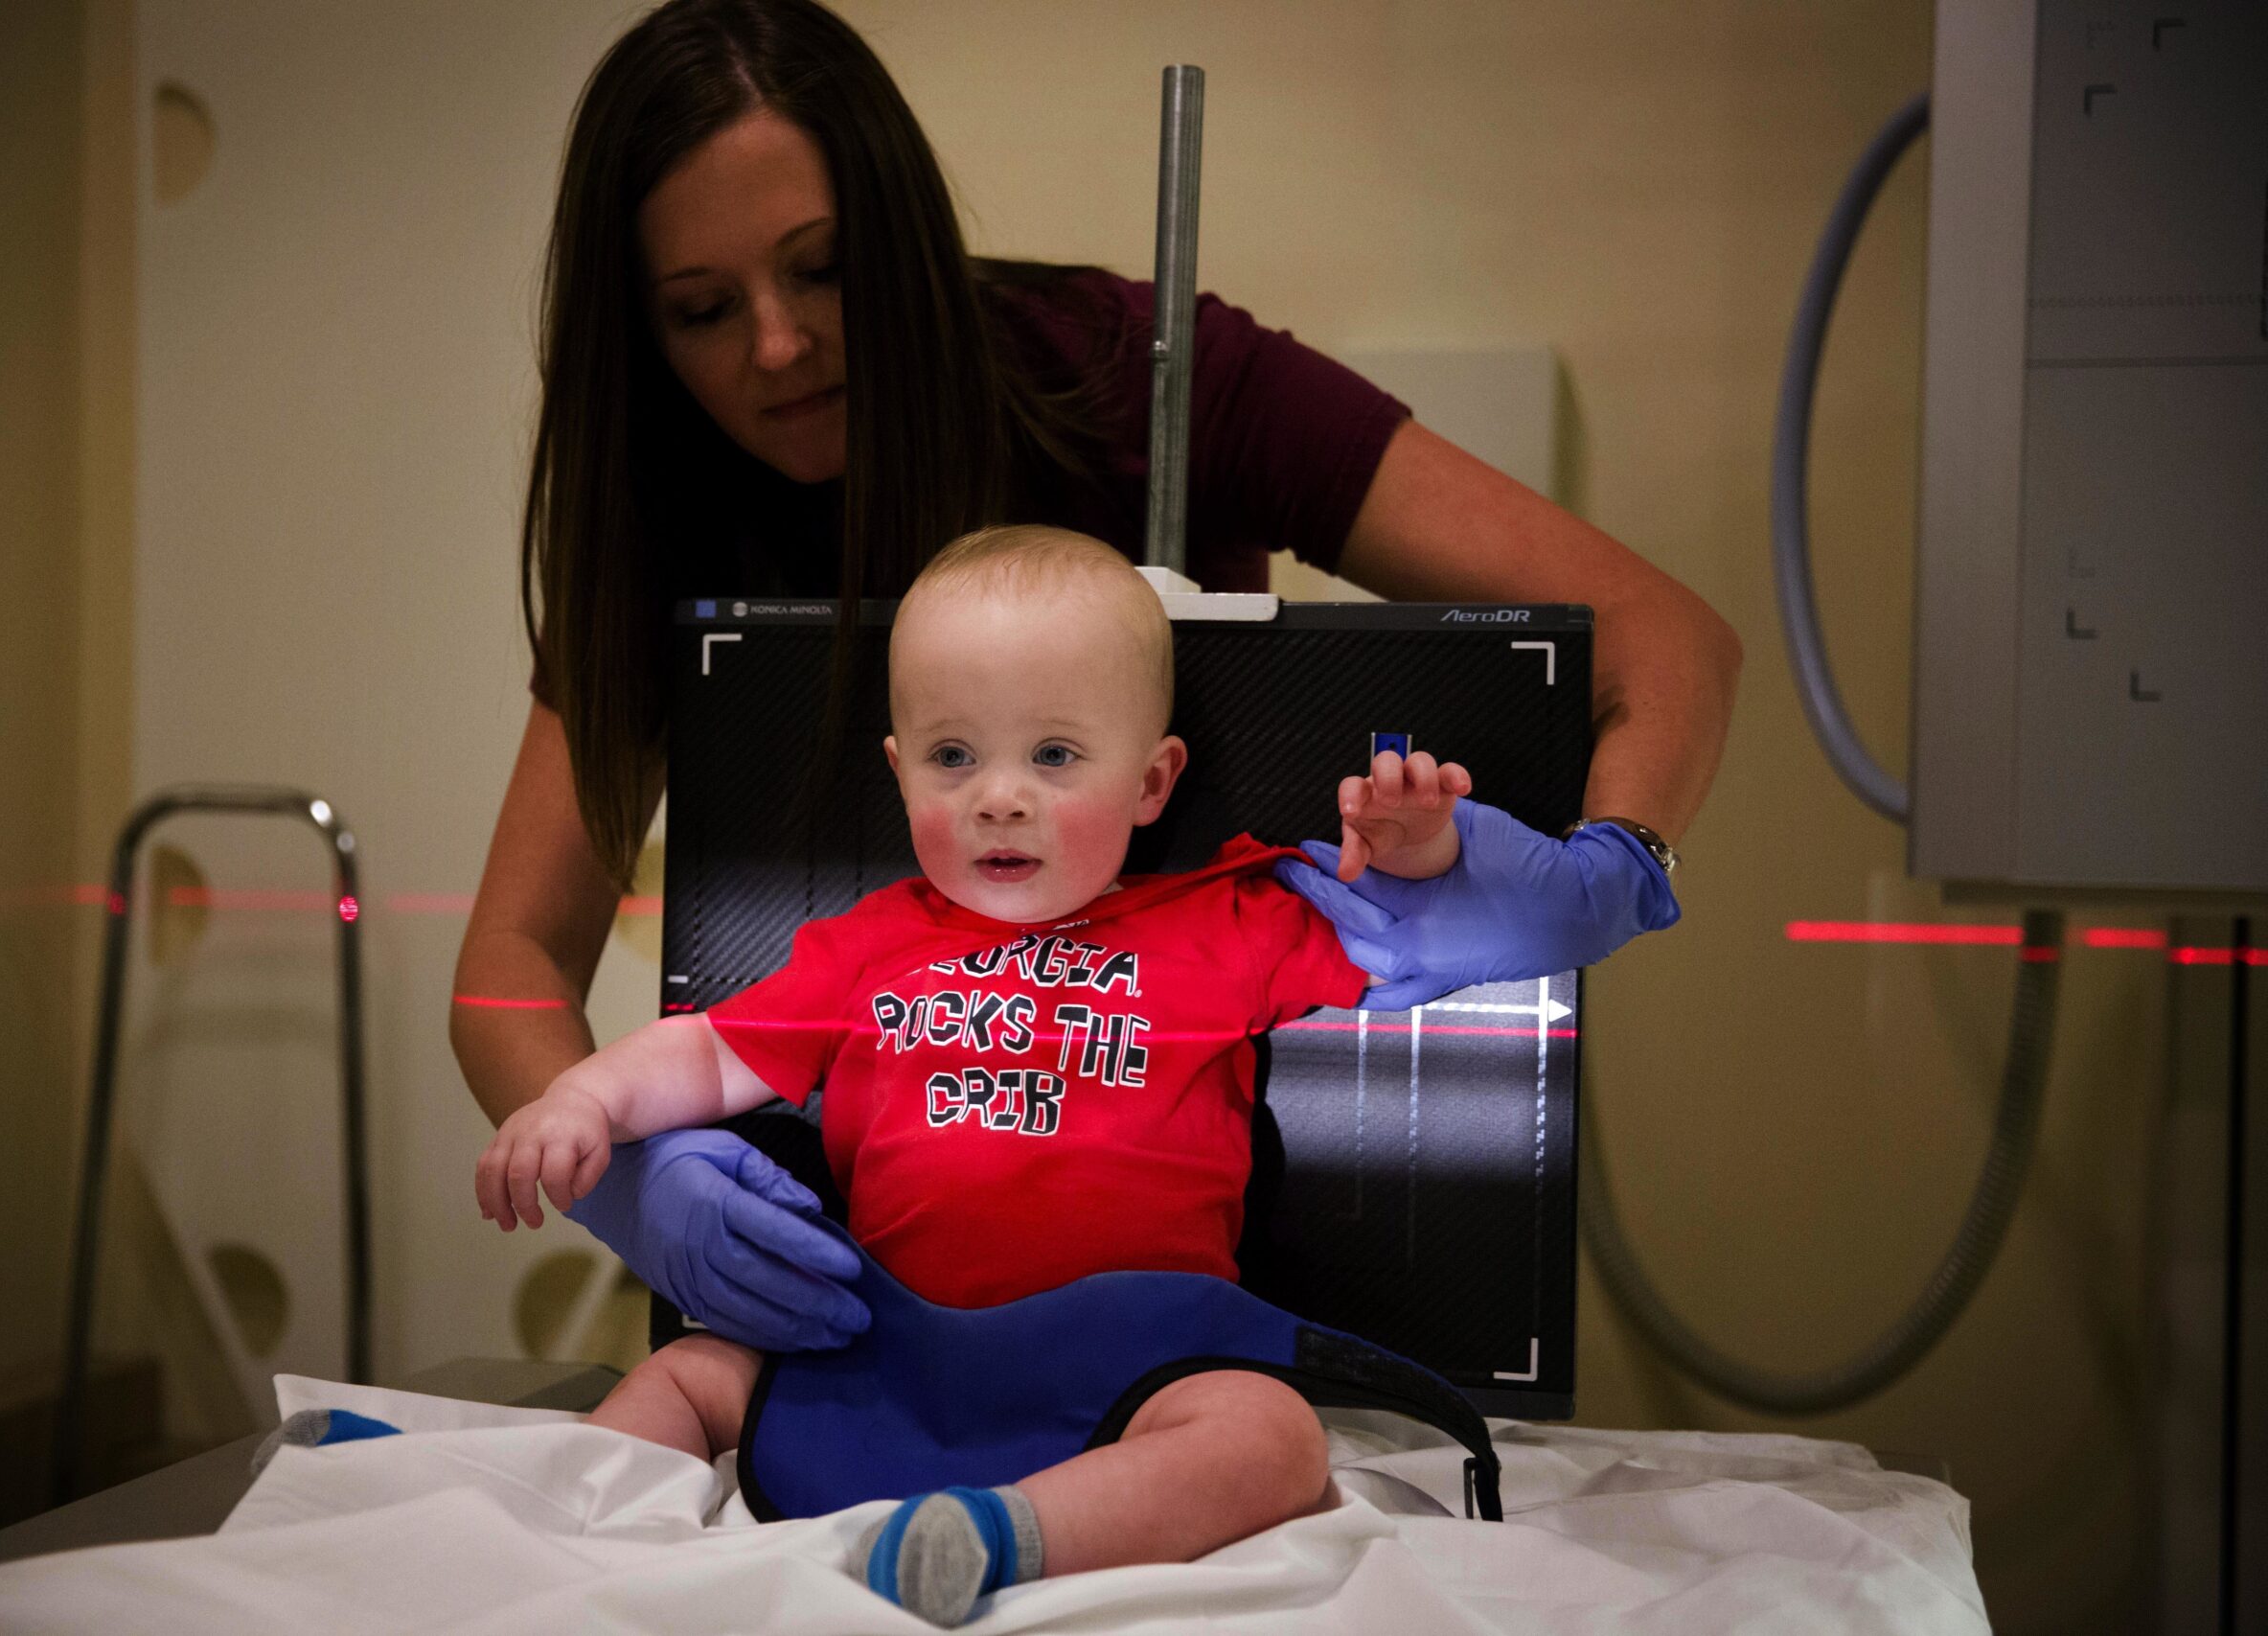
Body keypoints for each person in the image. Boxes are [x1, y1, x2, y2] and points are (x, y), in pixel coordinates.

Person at [452, 0, 1737, 1354]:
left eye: (824, 270)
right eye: (704, 310)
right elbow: (508, 963)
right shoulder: (668, 497)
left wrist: (1609, 867)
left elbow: (1671, 643)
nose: (776, 346)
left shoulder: (1138, 383)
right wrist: (631, 1179)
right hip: (861, 1309)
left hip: (1243, 1278)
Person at [476, 528, 1472, 1624]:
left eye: (1054, 756)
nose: (1000, 797)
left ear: (1151, 781)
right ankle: (514, 1521)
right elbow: (712, 1050)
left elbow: (1404, 941)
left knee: (1270, 1437)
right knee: (694, 1372)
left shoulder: (1228, 924)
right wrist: (584, 1101)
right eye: (955, 758)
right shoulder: (866, 944)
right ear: (900, 772)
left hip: (1135, 1360)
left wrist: (1420, 845)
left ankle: (1003, 1539)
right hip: (889, 1346)